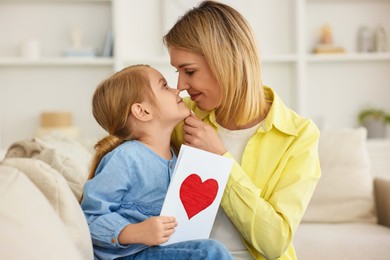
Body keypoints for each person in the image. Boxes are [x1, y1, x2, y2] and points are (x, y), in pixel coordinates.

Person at [163, 1, 321, 260]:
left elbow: (274, 242)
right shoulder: (182, 117)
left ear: (226, 61)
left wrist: (220, 160)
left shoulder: (299, 136)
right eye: (177, 71)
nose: (180, 85)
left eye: (189, 71)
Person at [81, 64, 233, 260]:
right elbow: (89, 218)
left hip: (163, 251)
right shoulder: (126, 158)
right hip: (130, 255)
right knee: (211, 252)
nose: (177, 89)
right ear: (142, 112)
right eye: (164, 86)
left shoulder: (176, 155)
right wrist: (134, 232)